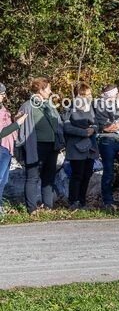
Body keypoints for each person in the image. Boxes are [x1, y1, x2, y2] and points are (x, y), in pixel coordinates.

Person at [16, 77, 64, 213]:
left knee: (49, 177)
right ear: (41, 89)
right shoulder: (28, 105)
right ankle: (31, 209)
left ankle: (48, 206)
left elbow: (58, 123)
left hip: (52, 146)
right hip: (34, 146)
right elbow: (21, 128)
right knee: (32, 177)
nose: (51, 91)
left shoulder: (50, 106)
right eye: (48, 88)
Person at [94, 84, 119, 210]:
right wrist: (108, 126)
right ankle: (108, 201)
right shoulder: (101, 104)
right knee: (109, 172)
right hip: (107, 141)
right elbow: (103, 125)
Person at [62, 82, 98, 210]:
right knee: (77, 174)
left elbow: (96, 122)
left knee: (87, 174)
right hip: (75, 147)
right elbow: (66, 127)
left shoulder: (91, 107)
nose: (90, 96)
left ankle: (82, 201)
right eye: (87, 94)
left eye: (90, 94)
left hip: (90, 147)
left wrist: (93, 129)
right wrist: (84, 132)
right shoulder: (70, 108)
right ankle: (73, 201)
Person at [0, 84, 26, 215]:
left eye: (4, 93)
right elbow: (1, 132)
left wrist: (14, 120)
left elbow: (6, 125)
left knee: (3, 180)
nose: (3, 96)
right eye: (1, 93)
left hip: (7, 148)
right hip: (1, 148)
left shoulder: (3, 108)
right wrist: (18, 124)